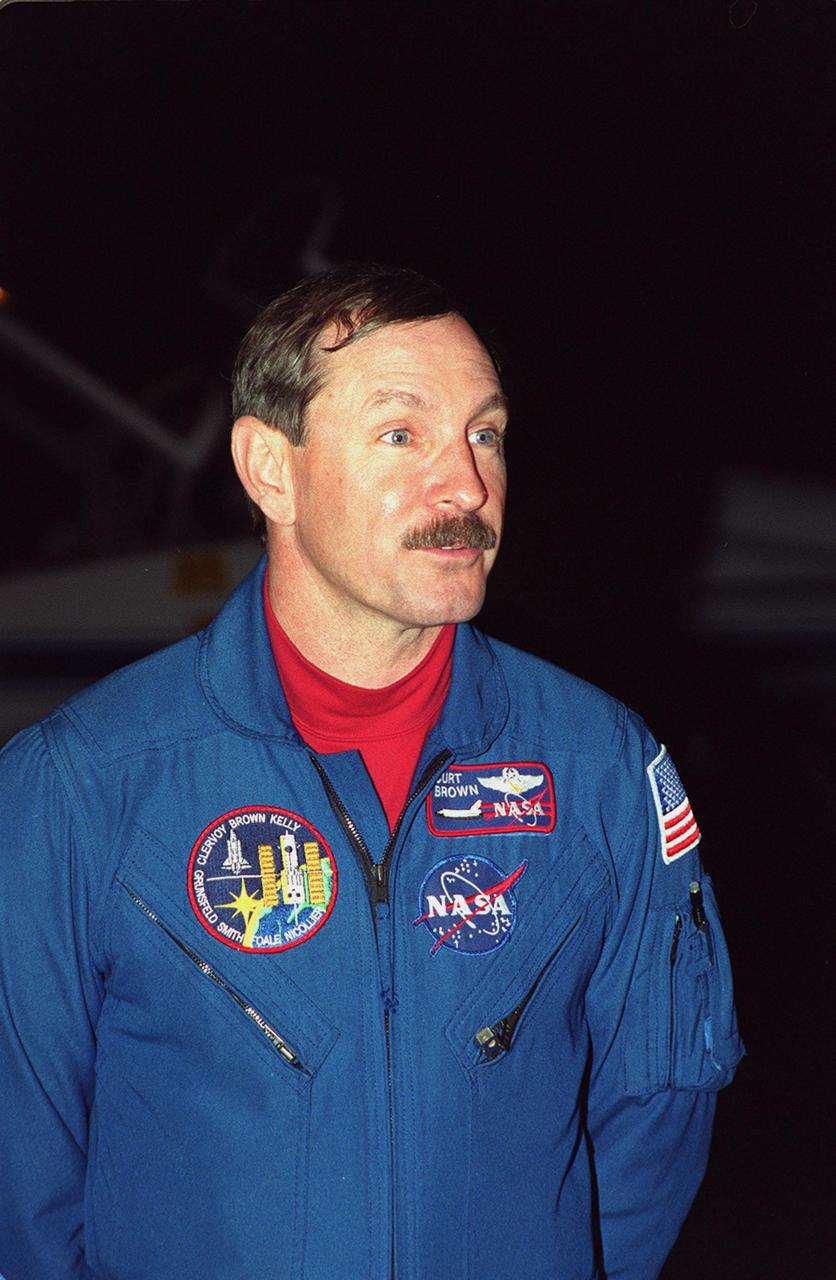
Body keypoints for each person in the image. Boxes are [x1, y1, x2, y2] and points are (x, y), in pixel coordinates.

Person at [0, 263, 743, 1280]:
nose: (467, 486)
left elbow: (652, 1114)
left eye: (485, 432)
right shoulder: (80, 786)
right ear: (270, 469)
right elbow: (21, 1183)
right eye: (402, 434)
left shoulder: (601, 768)